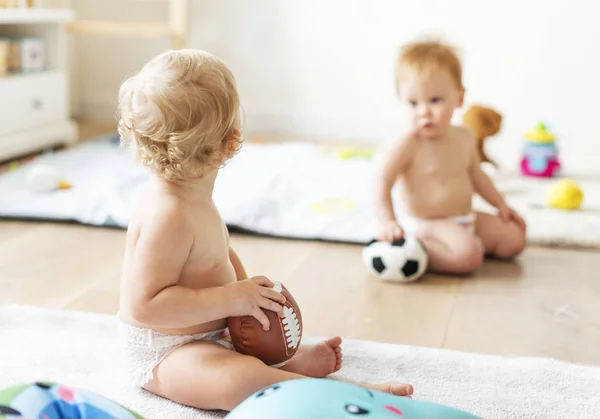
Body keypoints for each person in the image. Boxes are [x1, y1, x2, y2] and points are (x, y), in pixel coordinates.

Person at [116, 49, 414, 411]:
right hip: (165, 353)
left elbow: (217, 252)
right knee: (239, 381)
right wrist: (230, 299)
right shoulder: (168, 215)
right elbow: (145, 306)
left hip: (212, 334)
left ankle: (276, 361)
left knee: (245, 360)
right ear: (230, 142)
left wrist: (247, 297)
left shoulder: (192, 195)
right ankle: (341, 394)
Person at [373, 40, 527, 275]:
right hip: (427, 224)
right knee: (469, 257)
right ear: (400, 100)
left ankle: (460, 245)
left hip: (465, 217)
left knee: (514, 240)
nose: (423, 111)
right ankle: (409, 249)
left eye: (434, 100)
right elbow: (381, 183)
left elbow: (477, 176)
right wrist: (387, 222)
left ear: (459, 97)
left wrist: (501, 205)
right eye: (413, 103)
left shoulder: (464, 136)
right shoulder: (407, 144)